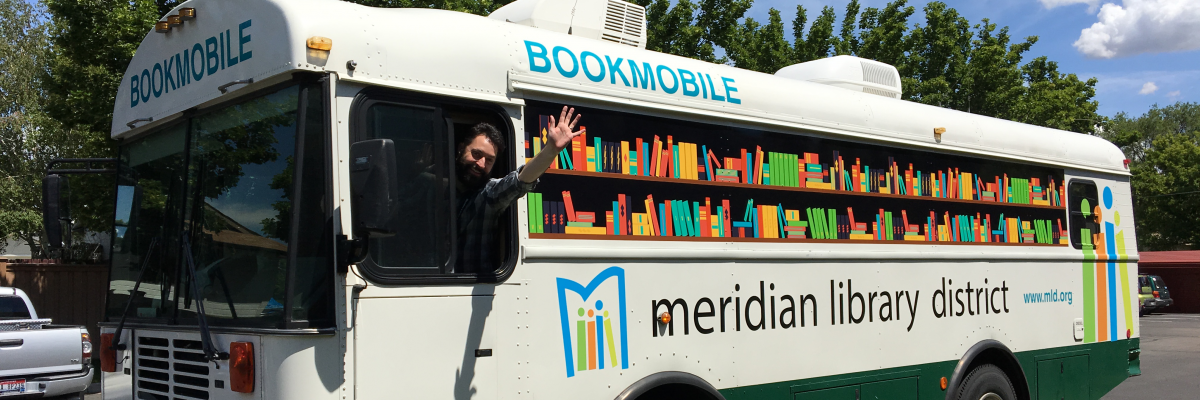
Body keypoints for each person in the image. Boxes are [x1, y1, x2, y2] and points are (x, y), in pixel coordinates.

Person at [456, 106, 583, 272]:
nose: (480, 164)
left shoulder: (488, 194)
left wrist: (551, 151)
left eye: (489, 160)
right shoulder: (428, 185)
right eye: (476, 154)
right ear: (460, 149)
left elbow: (520, 181)